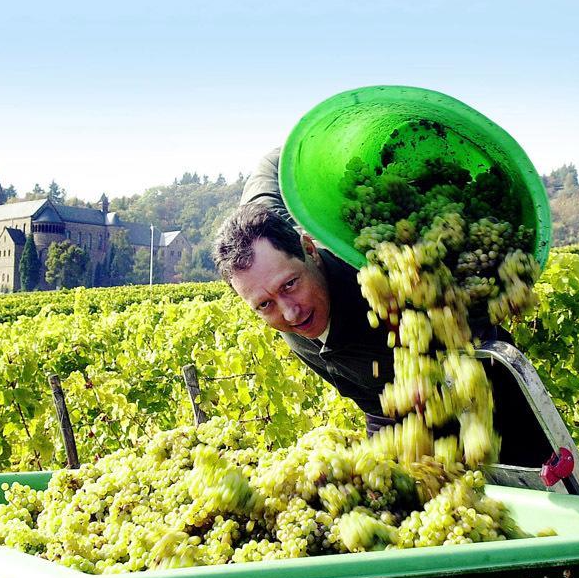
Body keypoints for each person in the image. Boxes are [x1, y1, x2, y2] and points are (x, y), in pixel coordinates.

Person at [213, 149, 551, 466]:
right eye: (264, 304)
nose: (289, 313)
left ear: (309, 249)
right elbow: (271, 169)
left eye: (290, 285)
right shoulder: (266, 246)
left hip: (488, 400)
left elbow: (469, 312)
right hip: (389, 412)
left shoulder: (383, 281)